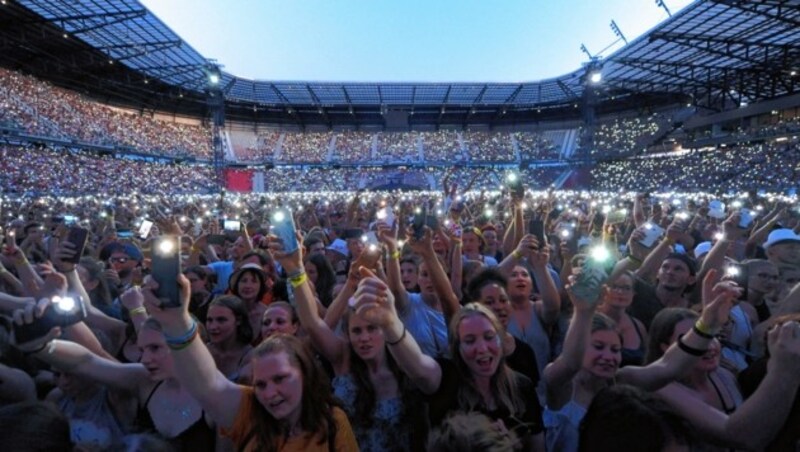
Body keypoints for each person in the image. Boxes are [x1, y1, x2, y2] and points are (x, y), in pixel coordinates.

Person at [139, 273, 359, 452]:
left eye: (280, 378)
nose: (270, 393)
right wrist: (177, 322)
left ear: (304, 373)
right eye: (261, 384)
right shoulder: (250, 411)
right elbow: (208, 383)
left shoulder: (332, 421)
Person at [541, 270, 739, 452]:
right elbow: (571, 363)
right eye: (599, 347)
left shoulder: (622, 380)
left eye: (615, 350)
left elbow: (668, 367)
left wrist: (708, 323)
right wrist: (584, 312)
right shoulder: (561, 387)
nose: (608, 357)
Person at [350, 272, 545, 451]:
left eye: (488, 336)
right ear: (457, 348)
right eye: (469, 341)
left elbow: (537, 447)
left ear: (500, 340)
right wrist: (390, 322)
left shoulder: (521, 386)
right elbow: (417, 365)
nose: (482, 348)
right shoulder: (446, 378)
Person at [271, 236, 424, 451]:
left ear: (387, 327)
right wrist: (296, 271)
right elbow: (313, 324)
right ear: (347, 333)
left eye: (372, 329)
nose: (364, 338)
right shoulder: (344, 358)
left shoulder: (406, 364)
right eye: (357, 331)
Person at [11, 307, 217, 451]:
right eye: (143, 350)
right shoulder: (144, 381)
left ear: (187, 342)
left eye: (155, 348)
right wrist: (43, 346)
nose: (145, 359)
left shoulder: (220, 396)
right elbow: (85, 362)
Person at [596, 272, 648, 367]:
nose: (620, 292)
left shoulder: (638, 326)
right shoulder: (591, 319)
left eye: (627, 288)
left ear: (633, 294)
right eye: (614, 287)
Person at [205, 295, 254, 382]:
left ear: (238, 320)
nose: (213, 327)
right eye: (209, 320)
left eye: (221, 320)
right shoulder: (203, 351)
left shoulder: (250, 356)